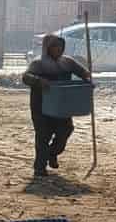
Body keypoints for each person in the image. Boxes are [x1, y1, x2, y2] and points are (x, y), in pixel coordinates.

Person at [22, 34, 92, 179]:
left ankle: (52, 153)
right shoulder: (38, 63)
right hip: (41, 106)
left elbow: (82, 72)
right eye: (54, 46)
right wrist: (39, 81)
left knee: (66, 129)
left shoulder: (67, 62)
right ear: (47, 48)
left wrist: (87, 76)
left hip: (62, 105)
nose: (58, 49)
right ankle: (39, 168)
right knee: (43, 136)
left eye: (60, 46)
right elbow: (25, 77)